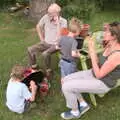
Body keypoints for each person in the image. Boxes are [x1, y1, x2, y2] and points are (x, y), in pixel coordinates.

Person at [60, 22, 120, 119]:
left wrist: (92, 52)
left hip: (103, 83)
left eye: (106, 32)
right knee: (65, 80)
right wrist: (92, 50)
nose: (104, 33)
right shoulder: (110, 44)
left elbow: (99, 75)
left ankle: (75, 112)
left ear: (114, 36)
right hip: (93, 73)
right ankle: (83, 104)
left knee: (66, 87)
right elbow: (98, 62)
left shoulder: (117, 55)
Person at [27, 3, 67, 72]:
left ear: (56, 14)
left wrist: (57, 23)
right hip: (45, 42)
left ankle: (48, 70)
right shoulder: (46, 17)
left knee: (45, 54)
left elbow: (60, 37)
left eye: (50, 13)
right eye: (48, 12)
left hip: (56, 45)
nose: (48, 14)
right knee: (30, 49)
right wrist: (41, 39)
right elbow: (38, 26)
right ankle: (34, 66)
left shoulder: (63, 22)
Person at [58, 17, 82, 83]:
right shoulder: (74, 41)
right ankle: (70, 90)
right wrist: (79, 55)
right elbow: (73, 54)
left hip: (62, 61)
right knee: (70, 78)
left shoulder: (62, 37)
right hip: (69, 64)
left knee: (63, 77)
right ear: (77, 32)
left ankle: (63, 90)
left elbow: (58, 47)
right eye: (79, 31)